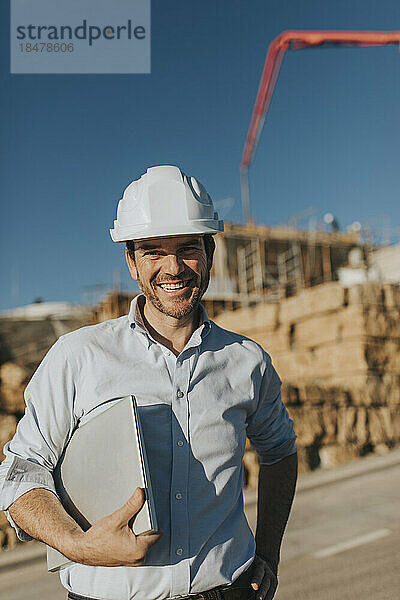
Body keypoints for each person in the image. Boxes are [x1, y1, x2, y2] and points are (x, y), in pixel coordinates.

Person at [0, 165, 297, 600]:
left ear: (210, 253)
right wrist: (79, 545)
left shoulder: (245, 361)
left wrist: (268, 552)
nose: (173, 267)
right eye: (153, 251)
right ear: (132, 262)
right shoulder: (78, 356)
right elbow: (20, 475)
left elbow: (280, 452)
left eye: (188, 249)